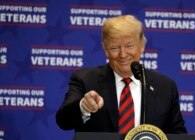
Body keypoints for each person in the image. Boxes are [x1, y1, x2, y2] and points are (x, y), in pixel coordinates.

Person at [56, 15, 187, 134]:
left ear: (142, 46)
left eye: (129, 46)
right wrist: (83, 107)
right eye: (114, 48)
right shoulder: (85, 79)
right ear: (105, 49)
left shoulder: (165, 87)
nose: (123, 54)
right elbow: (63, 121)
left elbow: (178, 134)